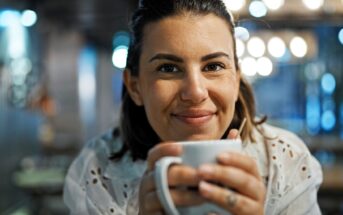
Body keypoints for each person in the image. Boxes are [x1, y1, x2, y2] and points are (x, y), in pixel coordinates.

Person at [63, 0, 323, 214]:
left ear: (236, 79)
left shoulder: (285, 164)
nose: (195, 92)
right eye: (168, 68)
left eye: (213, 66)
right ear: (135, 87)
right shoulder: (96, 173)